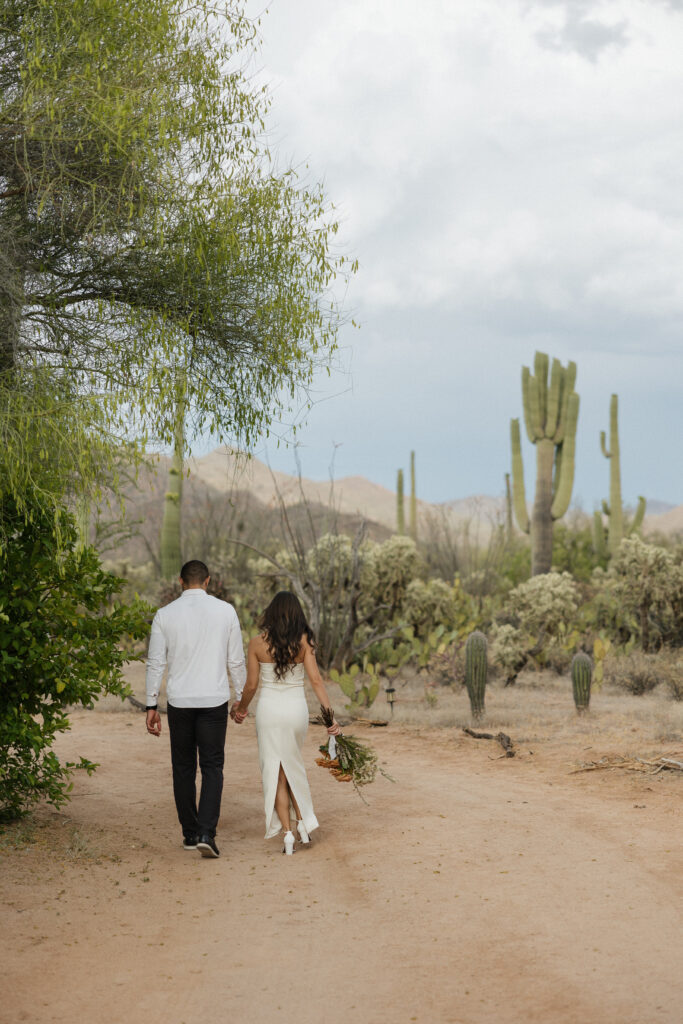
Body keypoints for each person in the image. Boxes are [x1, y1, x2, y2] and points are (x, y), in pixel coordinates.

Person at [145, 560, 246, 859]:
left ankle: (190, 833)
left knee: (183, 768)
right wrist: (240, 697)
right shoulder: (226, 611)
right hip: (214, 701)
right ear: (207, 581)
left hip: (180, 702)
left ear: (180, 581)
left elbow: (155, 663)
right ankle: (206, 833)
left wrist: (152, 703)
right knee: (213, 767)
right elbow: (236, 660)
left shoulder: (165, 615)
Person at [231, 591, 340, 854]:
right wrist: (330, 717)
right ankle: (303, 824)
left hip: (269, 712)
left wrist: (241, 708)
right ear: (296, 614)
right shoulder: (304, 642)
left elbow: (252, 685)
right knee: (291, 764)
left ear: (271, 613)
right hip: (295, 711)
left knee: (276, 772)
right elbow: (316, 681)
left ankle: (289, 833)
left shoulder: (256, 643)